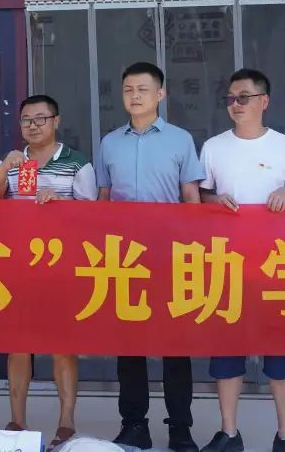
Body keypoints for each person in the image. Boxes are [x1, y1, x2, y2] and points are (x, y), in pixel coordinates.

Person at [197, 69, 285, 452]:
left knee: (280, 350)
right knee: (227, 350)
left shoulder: (284, 146)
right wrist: (215, 201)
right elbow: (200, 197)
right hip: (227, 262)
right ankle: (229, 433)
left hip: (276, 262)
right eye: (230, 98)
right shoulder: (213, 147)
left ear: (264, 101)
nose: (236, 104)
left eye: (243, 97)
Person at [95, 62, 204, 452]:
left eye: (142, 89)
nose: (134, 96)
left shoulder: (180, 140)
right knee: (130, 347)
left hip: (170, 255)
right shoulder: (110, 143)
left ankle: (180, 428)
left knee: (175, 347)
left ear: (160, 94)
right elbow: (104, 199)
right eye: (128, 89)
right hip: (124, 258)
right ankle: (134, 425)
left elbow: (191, 198)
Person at [0, 94, 97, 449]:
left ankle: (66, 422)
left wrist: (61, 204)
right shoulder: (14, 161)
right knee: (18, 344)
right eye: (26, 120)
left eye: (40, 119)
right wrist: (3, 168)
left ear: (56, 121)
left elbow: (94, 216)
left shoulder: (77, 163)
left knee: (62, 346)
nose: (33, 126)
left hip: (62, 267)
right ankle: (17, 421)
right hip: (18, 266)